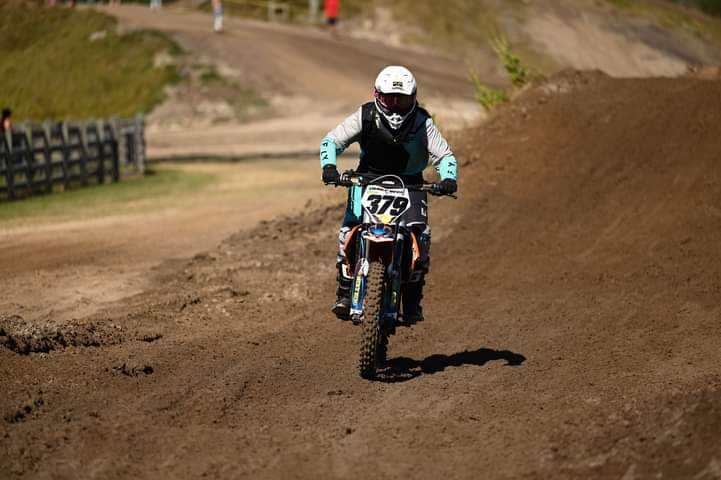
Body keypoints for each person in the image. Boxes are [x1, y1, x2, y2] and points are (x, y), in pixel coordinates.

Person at [320, 65, 458, 322]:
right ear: (377, 95)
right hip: (366, 180)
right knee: (349, 230)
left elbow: (445, 156)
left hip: (411, 184)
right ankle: (345, 291)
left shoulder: (422, 121)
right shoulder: (365, 115)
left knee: (421, 237)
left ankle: (412, 299)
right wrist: (329, 167)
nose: (395, 107)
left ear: (413, 98)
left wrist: (448, 178)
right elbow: (332, 141)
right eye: (389, 99)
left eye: (401, 100)